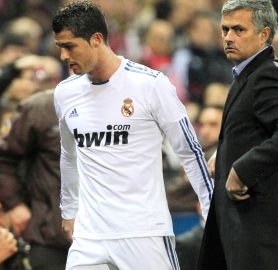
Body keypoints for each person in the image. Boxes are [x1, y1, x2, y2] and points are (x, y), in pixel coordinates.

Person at [52, 2, 213, 269]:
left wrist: (211, 210)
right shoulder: (65, 93)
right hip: (90, 236)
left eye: (69, 46)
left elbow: (189, 151)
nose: (63, 56)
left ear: (96, 40)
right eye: (60, 47)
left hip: (144, 232)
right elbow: (69, 155)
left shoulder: (150, 85)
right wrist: (69, 210)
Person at [196, 1, 278, 269]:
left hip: (267, 243)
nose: (228, 37)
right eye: (225, 29)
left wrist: (242, 170)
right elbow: (258, 131)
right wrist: (226, 153)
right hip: (256, 237)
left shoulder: (266, 76)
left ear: (264, 34)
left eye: (239, 30)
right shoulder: (249, 74)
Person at [0, 89, 70, 270]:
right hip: (50, 239)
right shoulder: (40, 107)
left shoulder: (124, 105)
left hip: (111, 238)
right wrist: (14, 204)